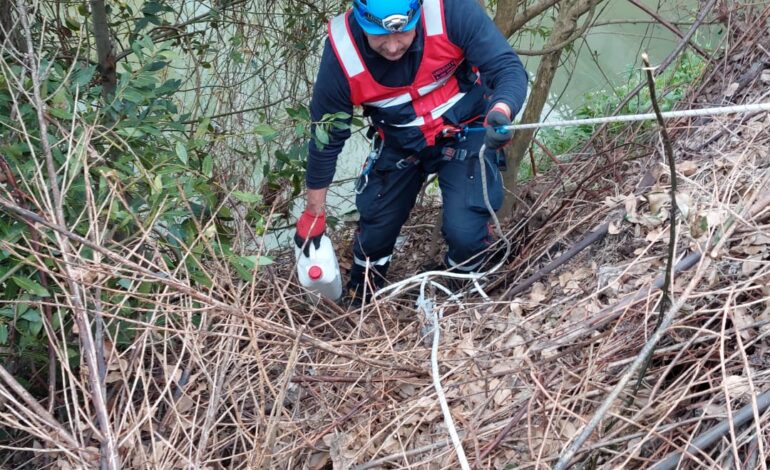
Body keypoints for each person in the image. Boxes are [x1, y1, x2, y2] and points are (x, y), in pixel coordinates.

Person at [294, 0, 528, 303]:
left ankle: (457, 290)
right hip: (400, 142)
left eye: (403, 32)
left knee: (466, 232)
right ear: (360, 20)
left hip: (464, 130)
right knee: (375, 228)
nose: (392, 47)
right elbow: (326, 137)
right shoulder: (342, 50)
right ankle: (363, 295)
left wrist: (502, 110)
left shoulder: (450, 11)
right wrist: (315, 211)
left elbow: (507, 68)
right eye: (379, 36)